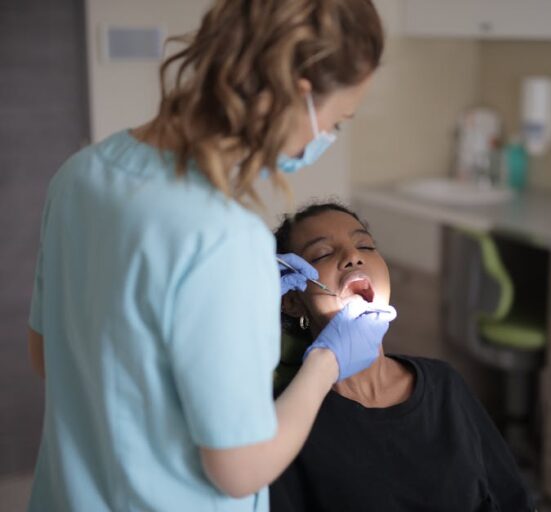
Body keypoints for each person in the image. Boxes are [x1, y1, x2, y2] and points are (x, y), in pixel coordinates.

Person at [25, 1, 394, 510]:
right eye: (337, 122)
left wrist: (218, 307)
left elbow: (48, 357)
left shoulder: (81, 174)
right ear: (298, 93)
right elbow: (239, 470)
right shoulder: (224, 240)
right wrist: (327, 361)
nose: (326, 138)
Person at [270, 203, 535, 512]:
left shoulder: (443, 383)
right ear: (292, 301)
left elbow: (512, 499)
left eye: (365, 245)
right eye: (323, 254)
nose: (354, 257)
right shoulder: (286, 420)